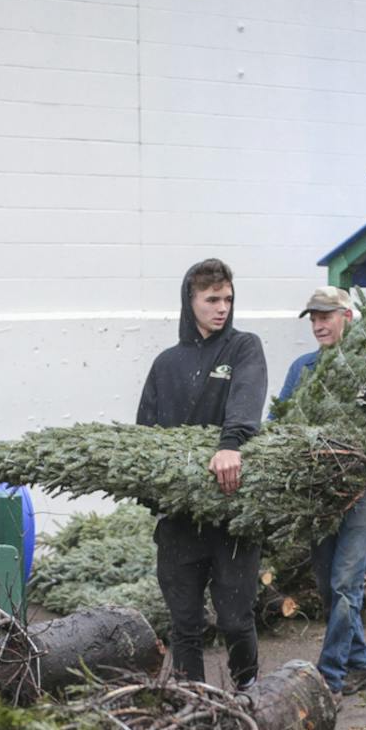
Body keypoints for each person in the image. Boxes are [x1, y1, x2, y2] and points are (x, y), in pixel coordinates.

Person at [275, 285, 366, 696]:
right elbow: (278, 418)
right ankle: (359, 664)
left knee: (344, 583)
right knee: (327, 585)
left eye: (327, 316)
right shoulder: (302, 369)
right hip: (321, 493)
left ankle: (330, 677)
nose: (319, 324)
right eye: (314, 318)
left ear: (347, 317)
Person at [135, 258, 268, 689]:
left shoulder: (243, 347)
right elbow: (145, 434)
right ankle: (192, 699)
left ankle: (249, 690)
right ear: (189, 301)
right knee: (185, 622)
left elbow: (247, 398)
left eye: (227, 298)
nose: (222, 307)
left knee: (234, 618)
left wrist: (231, 444)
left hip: (231, 511)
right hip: (179, 520)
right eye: (212, 299)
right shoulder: (165, 364)